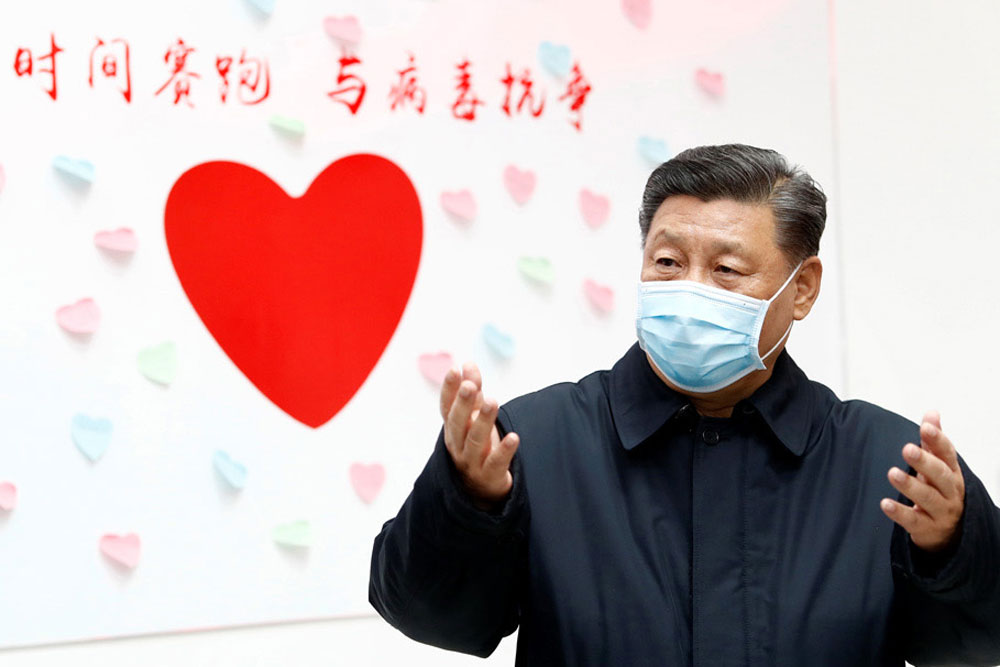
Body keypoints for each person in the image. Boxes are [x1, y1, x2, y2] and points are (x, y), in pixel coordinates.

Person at [368, 144, 1000, 666]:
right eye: (668, 261)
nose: (690, 290)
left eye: (727, 270)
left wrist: (950, 549)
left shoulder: (888, 465)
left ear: (802, 288)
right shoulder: (536, 442)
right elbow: (429, 617)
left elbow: (975, 645)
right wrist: (469, 502)